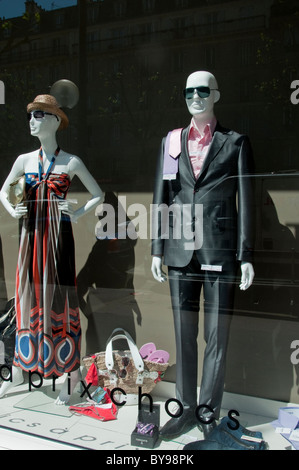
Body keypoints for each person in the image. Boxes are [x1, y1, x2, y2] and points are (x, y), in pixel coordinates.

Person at [151, 71, 255, 439]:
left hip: (220, 250)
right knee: (184, 334)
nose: (195, 96)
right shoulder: (171, 142)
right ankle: (186, 410)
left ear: (215, 94)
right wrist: (157, 247)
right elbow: (162, 195)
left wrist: (245, 255)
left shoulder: (235, 142)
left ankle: (209, 410)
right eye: (188, 91)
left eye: (202, 90)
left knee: (216, 335)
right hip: (179, 251)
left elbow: (247, 201)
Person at [0, 94, 104, 404]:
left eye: (39, 115)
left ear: (56, 120)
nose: (32, 121)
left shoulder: (70, 162)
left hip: (58, 243)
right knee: (27, 300)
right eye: (31, 115)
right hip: (30, 240)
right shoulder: (24, 160)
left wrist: (77, 212)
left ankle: (67, 374)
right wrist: (12, 210)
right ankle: (21, 367)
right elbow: (3, 192)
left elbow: (97, 194)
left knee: (60, 301)